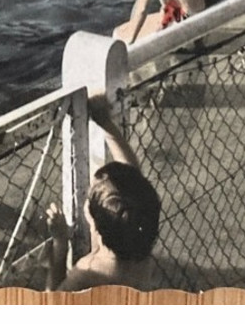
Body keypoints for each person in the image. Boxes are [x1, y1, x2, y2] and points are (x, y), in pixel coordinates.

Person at [44, 94, 162, 294]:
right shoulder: (140, 255)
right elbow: (132, 177)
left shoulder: (88, 273)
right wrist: (105, 122)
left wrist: (60, 244)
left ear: (92, 218)